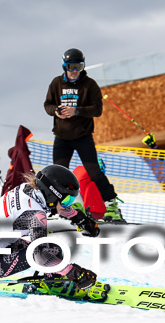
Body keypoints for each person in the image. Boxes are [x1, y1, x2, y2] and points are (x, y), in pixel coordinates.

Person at [0, 164, 103, 297]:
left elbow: (57, 205)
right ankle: (56, 287)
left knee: (49, 248)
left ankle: (53, 280)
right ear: (51, 195)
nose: (67, 204)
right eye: (67, 200)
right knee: (51, 251)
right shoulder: (36, 215)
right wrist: (75, 273)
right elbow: (40, 256)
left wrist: (81, 219)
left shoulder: (27, 189)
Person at [43, 48, 124, 223]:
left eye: (78, 67)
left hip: (82, 136)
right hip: (62, 137)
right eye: (71, 67)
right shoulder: (56, 83)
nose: (74, 71)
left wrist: (76, 110)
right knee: (57, 174)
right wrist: (56, 111)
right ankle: (63, 208)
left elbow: (97, 109)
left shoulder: (90, 84)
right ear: (64, 66)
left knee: (94, 171)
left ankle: (112, 205)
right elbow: (47, 105)